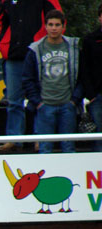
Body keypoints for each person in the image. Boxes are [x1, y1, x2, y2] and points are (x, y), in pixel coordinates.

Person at [0, 0, 62, 153]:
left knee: (40, 98)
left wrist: (49, 45)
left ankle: (40, 138)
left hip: (39, 54)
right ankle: (14, 138)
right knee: (13, 100)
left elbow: (58, 19)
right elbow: (2, 22)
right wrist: (4, 45)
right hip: (14, 54)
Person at [22, 9, 81, 154]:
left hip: (67, 105)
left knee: (69, 148)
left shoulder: (73, 47)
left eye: (57, 25)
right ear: (45, 26)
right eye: (50, 24)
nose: (54, 28)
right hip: (45, 105)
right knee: (45, 149)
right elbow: (27, 78)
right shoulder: (35, 49)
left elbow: (82, 75)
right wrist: (38, 102)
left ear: (63, 26)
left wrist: (74, 100)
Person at [81, 2, 102, 152]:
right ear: (99, 17)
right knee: (99, 136)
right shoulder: (90, 40)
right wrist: (91, 95)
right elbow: (84, 69)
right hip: (98, 96)